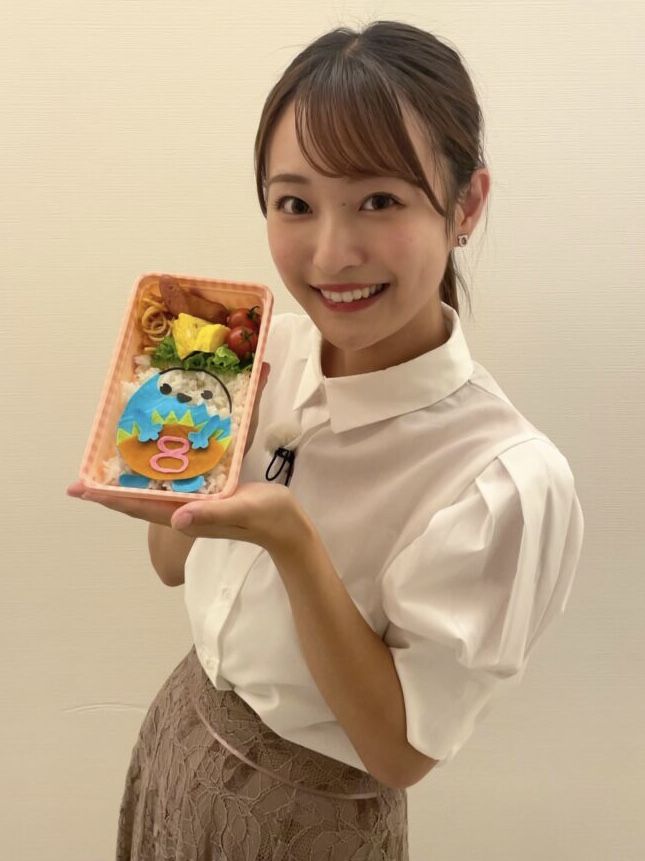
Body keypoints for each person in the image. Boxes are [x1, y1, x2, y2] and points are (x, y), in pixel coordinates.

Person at [68, 20, 585, 860]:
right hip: (178, 742)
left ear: (465, 205)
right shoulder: (262, 352)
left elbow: (398, 754)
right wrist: (180, 471)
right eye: (295, 204)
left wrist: (291, 541)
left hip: (308, 824)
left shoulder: (501, 477)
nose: (331, 253)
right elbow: (173, 566)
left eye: (378, 200)